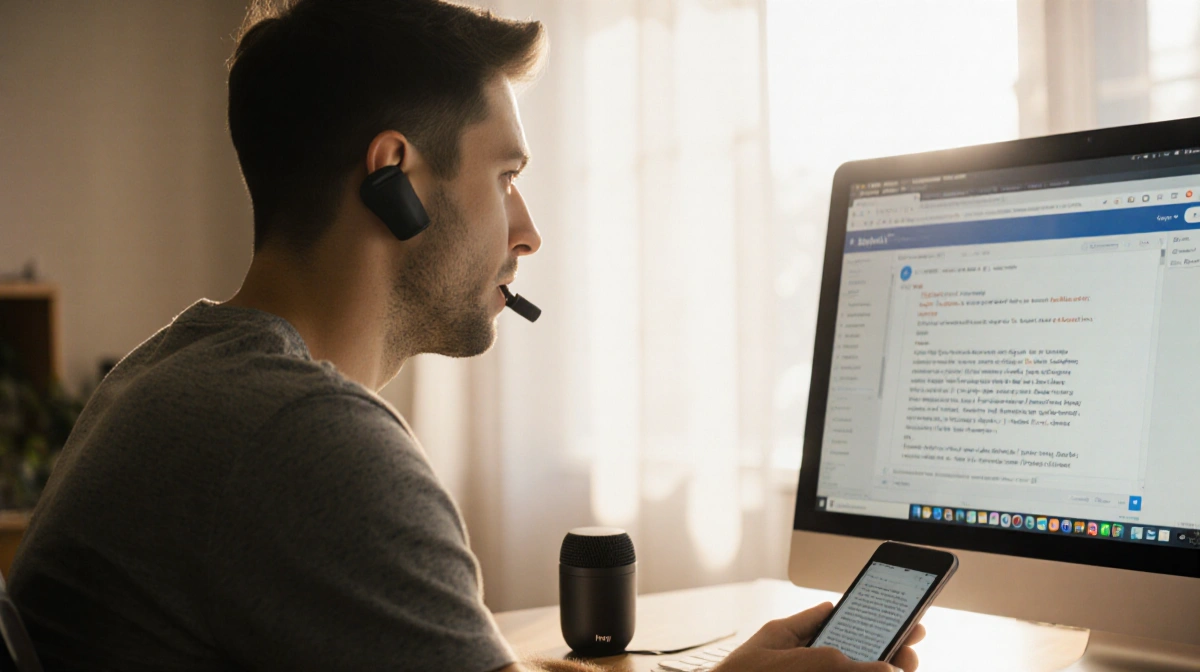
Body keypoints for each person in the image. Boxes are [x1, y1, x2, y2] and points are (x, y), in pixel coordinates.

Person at [7, 1, 924, 671]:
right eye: (505, 176)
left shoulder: (167, 373)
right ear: (394, 177)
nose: (526, 230)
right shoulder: (303, 441)